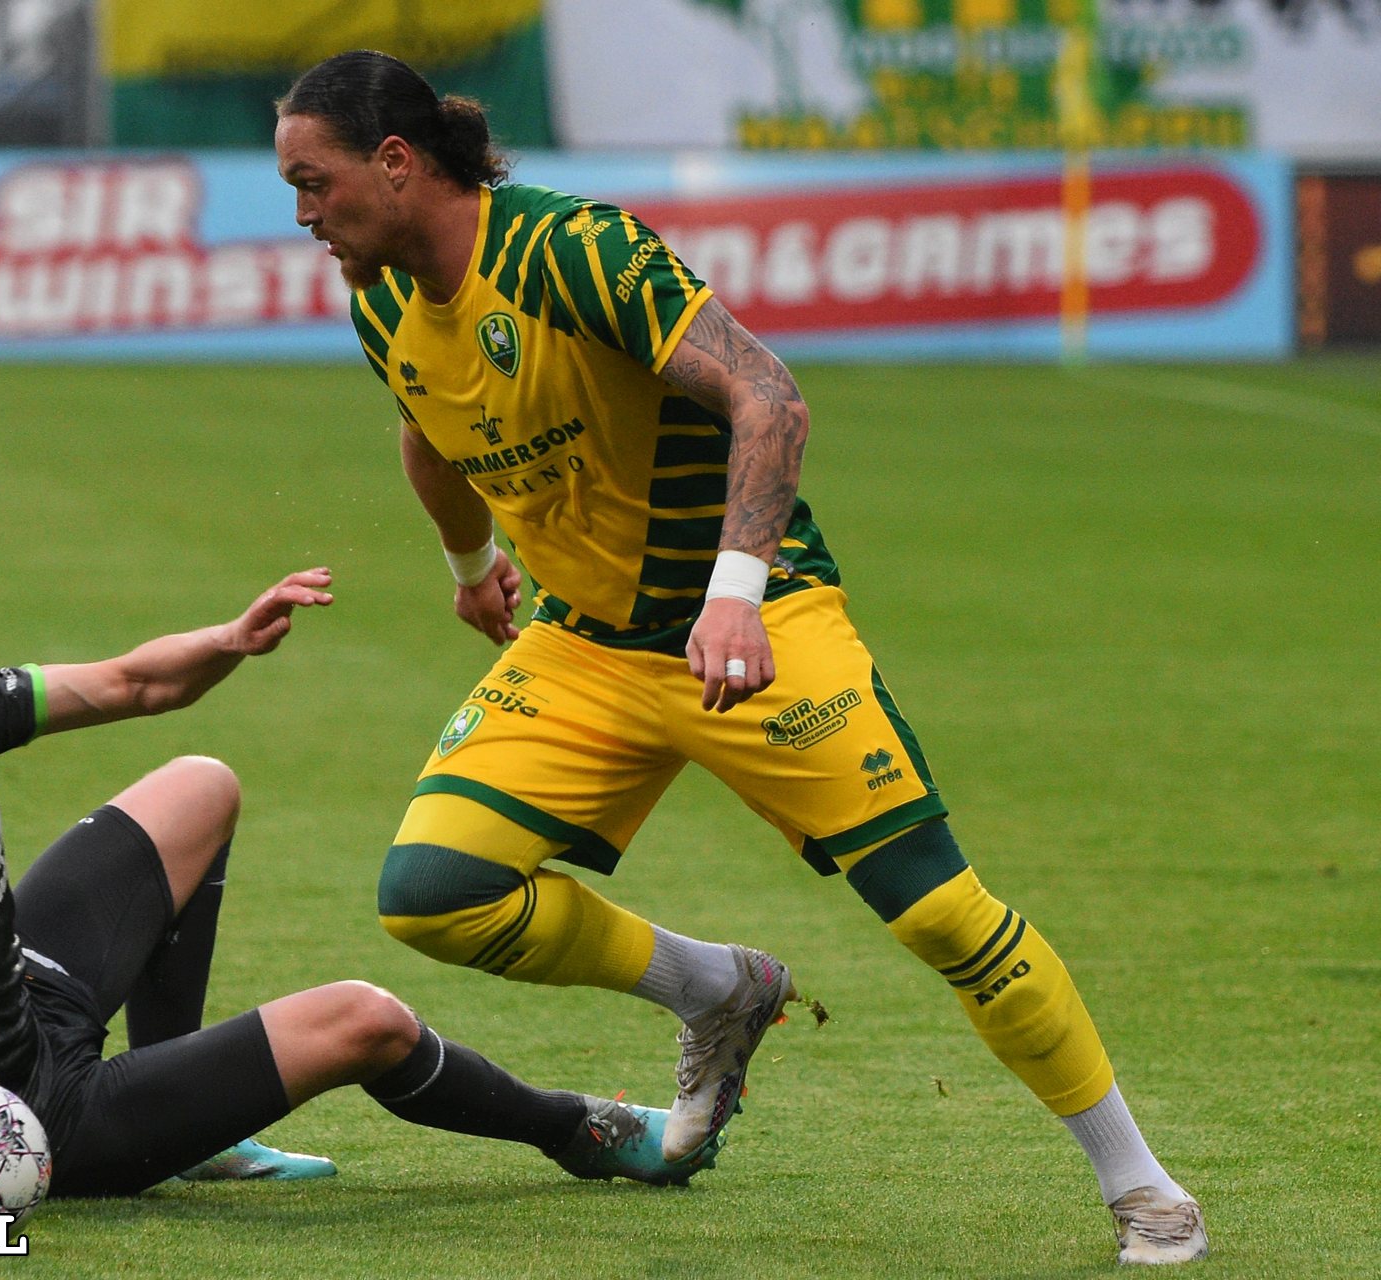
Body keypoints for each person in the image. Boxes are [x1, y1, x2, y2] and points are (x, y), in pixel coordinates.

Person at [273, 49, 1207, 1266]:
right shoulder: (383, 298)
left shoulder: (572, 252)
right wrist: (470, 572)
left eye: (314, 181)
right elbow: (427, 431)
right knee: (432, 893)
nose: (302, 214)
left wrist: (734, 598)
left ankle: (1145, 1188)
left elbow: (770, 396)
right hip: (583, 648)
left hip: (753, 634)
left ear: (397, 163)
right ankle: (715, 988)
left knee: (939, 911)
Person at [0, 572, 719, 1209]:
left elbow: (132, 684)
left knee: (201, 786)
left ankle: (183, 1124)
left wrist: (230, 636)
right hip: (26, 1115)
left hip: (25, 998)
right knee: (366, 1020)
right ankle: (578, 1129)